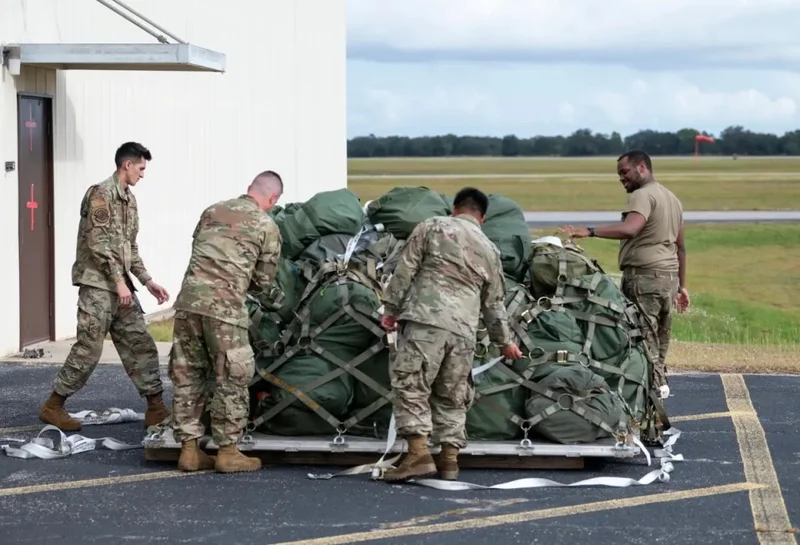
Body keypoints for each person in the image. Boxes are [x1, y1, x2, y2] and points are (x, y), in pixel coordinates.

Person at [379, 187, 524, 482]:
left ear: (454, 209)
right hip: (464, 333)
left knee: (412, 386)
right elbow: (494, 305)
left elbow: (405, 270)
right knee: (452, 396)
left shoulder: (432, 227)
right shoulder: (490, 249)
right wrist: (505, 342)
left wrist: (390, 310)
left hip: (426, 322)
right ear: (482, 218)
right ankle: (449, 462)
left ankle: (418, 456)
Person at [39, 142, 171, 432]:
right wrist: (119, 282)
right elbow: (98, 245)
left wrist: (147, 281)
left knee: (140, 344)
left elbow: (129, 248)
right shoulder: (100, 194)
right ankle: (53, 406)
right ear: (127, 164)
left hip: (121, 288)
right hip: (98, 286)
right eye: (141, 168)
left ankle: (156, 408)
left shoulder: (129, 200)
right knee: (89, 350)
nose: (143, 174)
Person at [168, 170, 283, 473]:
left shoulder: (212, 211)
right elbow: (263, 280)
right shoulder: (266, 225)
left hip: (188, 303)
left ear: (249, 189)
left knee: (188, 375)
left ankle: (189, 451)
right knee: (231, 377)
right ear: (273, 199)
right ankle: (228, 451)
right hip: (225, 310)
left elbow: (197, 251)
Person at [559, 149, 690, 400]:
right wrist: (682, 286)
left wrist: (589, 231)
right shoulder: (672, 198)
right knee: (659, 342)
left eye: (625, 172)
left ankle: (650, 400)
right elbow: (681, 247)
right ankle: (659, 390)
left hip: (644, 279)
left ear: (642, 168)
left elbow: (630, 229)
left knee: (641, 342)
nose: (621, 178)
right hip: (668, 279)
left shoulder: (642, 195)